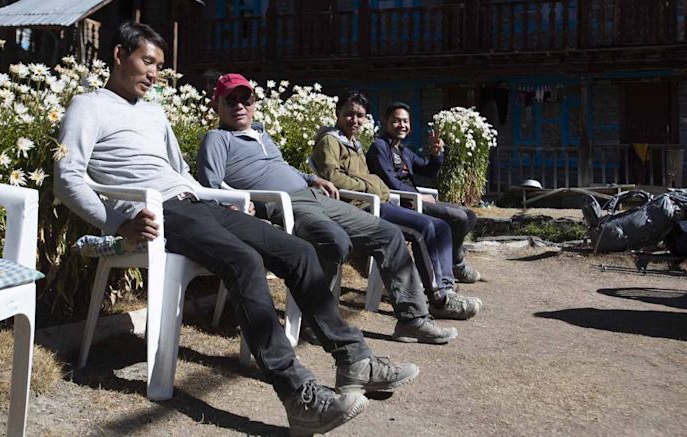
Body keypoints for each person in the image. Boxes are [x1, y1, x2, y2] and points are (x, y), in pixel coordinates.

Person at [54, 22, 419, 435]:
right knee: (244, 261)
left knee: (297, 252)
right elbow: (67, 177)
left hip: (194, 203)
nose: (154, 74)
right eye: (147, 62)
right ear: (120, 56)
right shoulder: (88, 106)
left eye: (159, 65)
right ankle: (298, 394)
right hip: (157, 213)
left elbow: (181, 172)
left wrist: (220, 198)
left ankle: (354, 360)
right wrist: (118, 222)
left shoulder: (154, 113)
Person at [196, 73, 458, 345]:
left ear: (254, 103)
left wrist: (312, 178)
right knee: (333, 240)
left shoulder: (262, 134)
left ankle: (413, 319)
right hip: (284, 205)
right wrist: (234, 203)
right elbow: (210, 185)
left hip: (314, 195)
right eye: (231, 100)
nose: (239, 105)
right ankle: (317, 319)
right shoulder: (217, 139)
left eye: (245, 98)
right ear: (218, 105)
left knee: (388, 234)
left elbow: (281, 167)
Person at [311, 91, 481, 321]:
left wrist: (436, 155)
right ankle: (438, 299)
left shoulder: (356, 143)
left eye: (360, 115)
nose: (355, 120)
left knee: (440, 226)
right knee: (424, 229)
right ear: (337, 114)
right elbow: (333, 177)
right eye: (348, 114)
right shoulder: (331, 141)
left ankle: (446, 288)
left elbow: (421, 170)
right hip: (359, 208)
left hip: (379, 201)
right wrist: (372, 185)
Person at [367, 101, 481, 283]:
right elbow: (390, 182)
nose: (402, 125)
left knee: (470, 215)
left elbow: (428, 171)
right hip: (402, 204)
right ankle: (454, 267)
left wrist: (436, 155)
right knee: (458, 217)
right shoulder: (379, 147)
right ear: (386, 122)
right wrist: (418, 197)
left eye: (405, 121)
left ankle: (455, 262)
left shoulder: (403, 150)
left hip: (416, 200)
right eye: (396, 121)